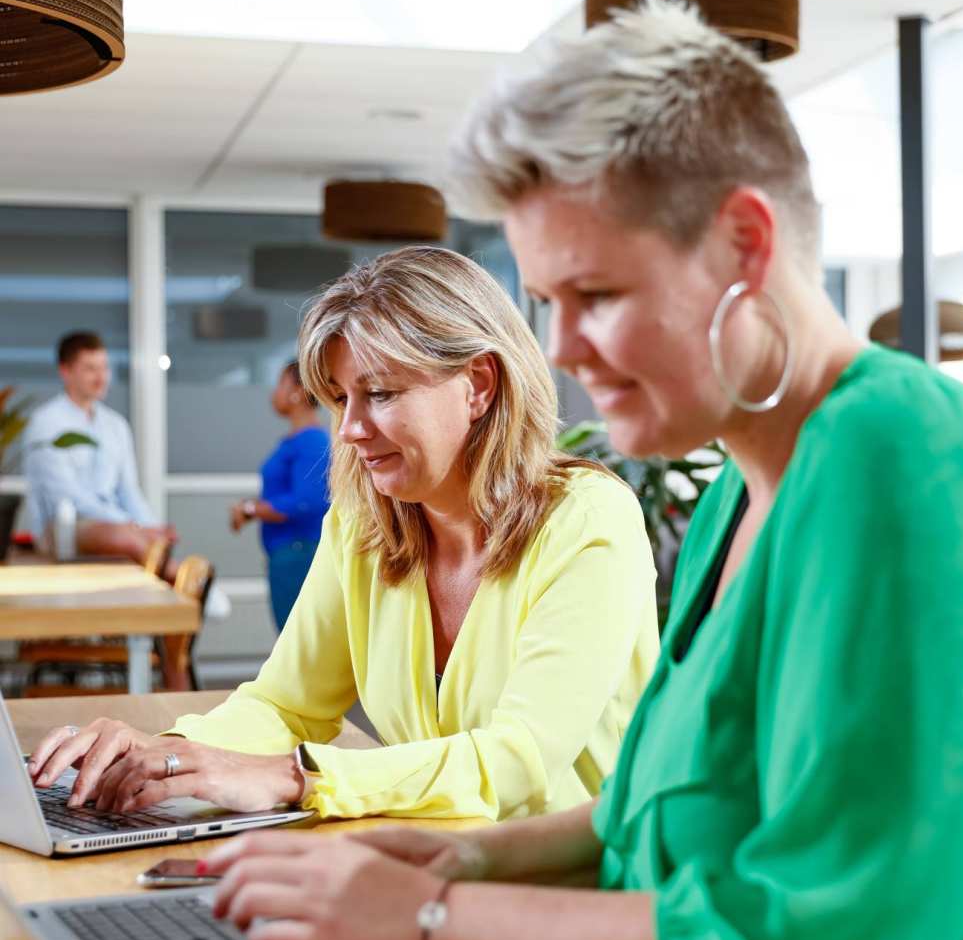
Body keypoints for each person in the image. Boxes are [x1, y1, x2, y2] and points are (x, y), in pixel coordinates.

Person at [193, 0, 963, 940]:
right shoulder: (739, 486)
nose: (560, 350)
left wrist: (428, 922)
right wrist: (462, 858)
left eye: (595, 295)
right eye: (550, 303)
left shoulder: (903, 459)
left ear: (744, 244)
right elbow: (645, 818)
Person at [30, 247, 660, 823]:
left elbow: (519, 759)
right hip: (436, 862)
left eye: (380, 394)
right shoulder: (363, 525)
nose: (350, 429)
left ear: (479, 385)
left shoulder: (588, 520)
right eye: (340, 399)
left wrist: (295, 778)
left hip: (582, 886)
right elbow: (287, 705)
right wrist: (165, 755)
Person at [23, 331, 178, 569]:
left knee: (155, 541)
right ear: (65, 371)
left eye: (104, 368)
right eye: (90, 369)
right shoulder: (46, 424)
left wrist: (150, 526)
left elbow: (129, 490)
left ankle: (187, 584)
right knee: (125, 539)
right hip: (64, 526)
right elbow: (65, 496)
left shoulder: (116, 426)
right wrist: (130, 525)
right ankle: (187, 583)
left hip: (118, 525)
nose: (101, 377)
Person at [229, 360, 330, 631]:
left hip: (299, 555)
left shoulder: (312, 441)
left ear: (298, 392)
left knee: (298, 642)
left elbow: (307, 502)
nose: (275, 392)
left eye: (281, 384)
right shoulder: (296, 441)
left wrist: (251, 509)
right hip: (286, 555)